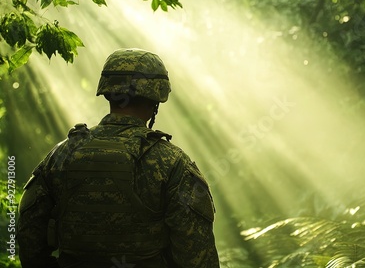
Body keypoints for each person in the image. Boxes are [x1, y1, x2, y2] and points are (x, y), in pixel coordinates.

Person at [18, 48, 220, 268]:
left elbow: (30, 242)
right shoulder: (172, 163)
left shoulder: (61, 154)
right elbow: (198, 259)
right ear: (157, 97)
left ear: (107, 91)